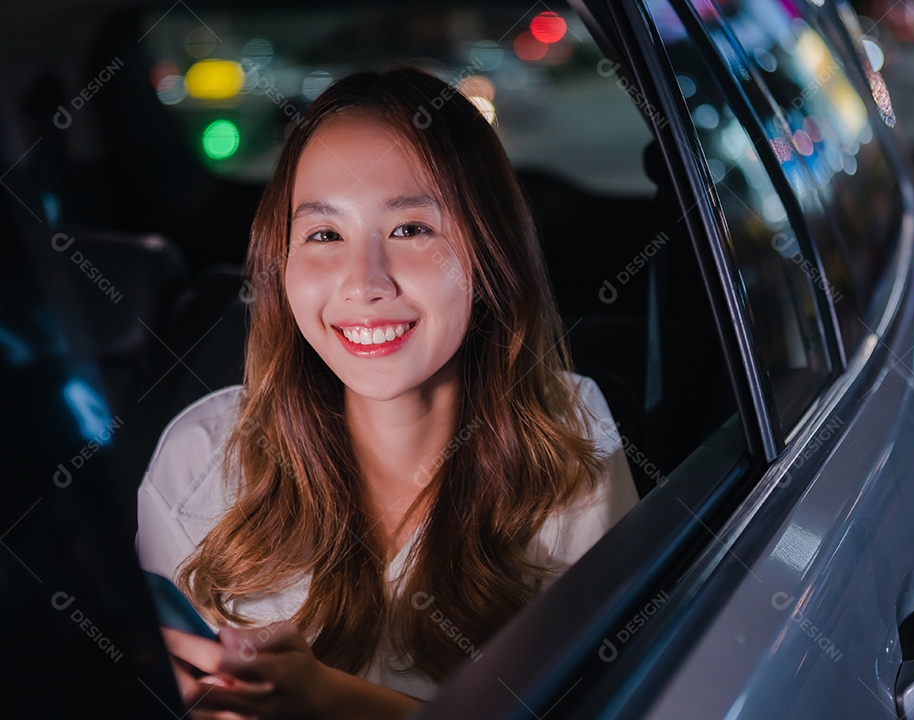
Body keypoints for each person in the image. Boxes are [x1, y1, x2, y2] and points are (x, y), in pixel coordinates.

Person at [135, 66, 638, 719]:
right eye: (324, 235)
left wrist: (329, 701)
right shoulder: (202, 455)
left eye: (409, 229)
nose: (364, 282)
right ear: (280, 266)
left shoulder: (571, 444)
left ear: (489, 257)